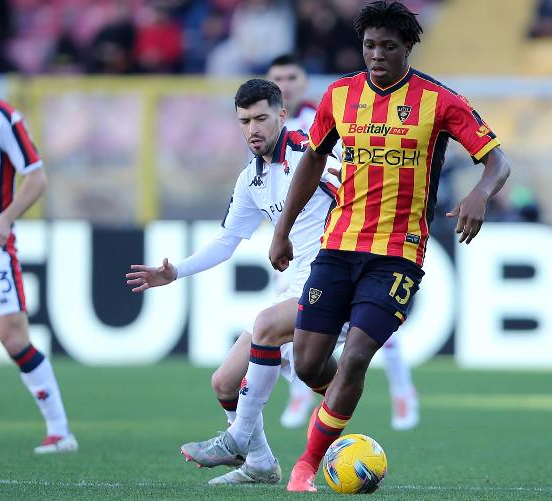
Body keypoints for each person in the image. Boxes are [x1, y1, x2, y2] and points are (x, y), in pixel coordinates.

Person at [267, 0, 511, 492]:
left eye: (387, 46)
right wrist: (282, 230)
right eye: (369, 45)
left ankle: (306, 465)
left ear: (408, 48)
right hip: (337, 248)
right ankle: (338, 410)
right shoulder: (339, 96)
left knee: (356, 355)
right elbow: (311, 163)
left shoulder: (438, 101)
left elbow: (497, 160)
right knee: (310, 363)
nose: (376, 54)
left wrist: (480, 195)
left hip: (399, 253)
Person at [125, 79, 341, 485]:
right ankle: (259, 462)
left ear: (281, 114)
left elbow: (349, 191)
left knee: (267, 327)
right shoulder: (251, 179)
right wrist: (175, 272)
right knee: (224, 381)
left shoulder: (311, 153)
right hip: (295, 288)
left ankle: (239, 436)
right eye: (244, 121)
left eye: (261, 118)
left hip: (335, 280)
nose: (252, 129)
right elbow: (226, 243)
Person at [267, 53, 420, 431]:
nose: (284, 85)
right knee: (302, 329)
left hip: (342, 238)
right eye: (276, 79)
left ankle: (403, 392)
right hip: (297, 244)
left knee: (366, 325)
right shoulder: (268, 127)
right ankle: (301, 397)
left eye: (291, 76)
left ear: (304, 82)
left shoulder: (327, 114)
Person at [0, 97, 78, 454]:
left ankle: (60, 432)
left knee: (14, 339)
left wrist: (6, 217)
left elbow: (36, 176)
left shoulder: (1, 115)